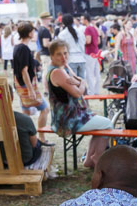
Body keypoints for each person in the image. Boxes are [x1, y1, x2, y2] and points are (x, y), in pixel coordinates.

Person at [47, 39, 110, 168]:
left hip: (70, 116)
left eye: (65, 53)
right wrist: (82, 82)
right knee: (107, 124)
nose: (63, 57)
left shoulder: (61, 68)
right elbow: (78, 92)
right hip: (69, 120)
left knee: (100, 125)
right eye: (59, 54)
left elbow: (79, 83)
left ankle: (89, 159)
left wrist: (79, 82)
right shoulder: (57, 72)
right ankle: (97, 158)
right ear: (51, 56)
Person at [13, 21, 50, 129]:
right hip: (26, 85)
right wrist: (31, 90)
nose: (34, 33)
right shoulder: (24, 48)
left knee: (26, 113)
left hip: (20, 83)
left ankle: (28, 136)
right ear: (29, 33)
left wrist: (35, 62)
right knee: (45, 109)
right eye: (33, 31)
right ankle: (41, 136)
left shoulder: (18, 47)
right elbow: (24, 71)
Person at [56, 14, 87, 79]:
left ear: (63, 22)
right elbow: (83, 43)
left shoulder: (62, 34)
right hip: (81, 59)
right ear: (72, 21)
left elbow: (60, 47)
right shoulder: (79, 32)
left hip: (70, 59)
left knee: (73, 81)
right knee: (82, 81)